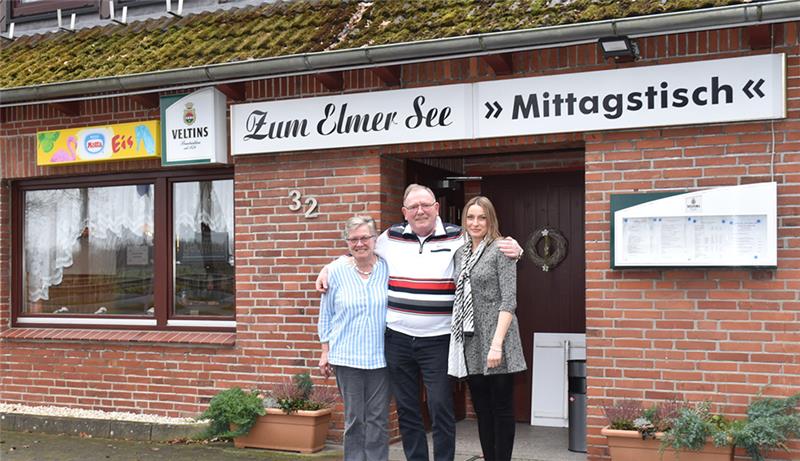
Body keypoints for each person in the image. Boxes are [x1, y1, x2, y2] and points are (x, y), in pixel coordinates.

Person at [316, 184, 522, 461]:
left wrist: (516, 249)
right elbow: (359, 248)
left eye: (426, 205)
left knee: (440, 406)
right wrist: (329, 266)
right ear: (405, 212)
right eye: (413, 207)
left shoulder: (458, 237)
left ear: (437, 207)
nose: (420, 211)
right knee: (408, 409)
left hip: (438, 339)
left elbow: (485, 248)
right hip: (398, 340)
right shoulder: (390, 237)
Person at [447, 196, 527, 461]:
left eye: (482, 217)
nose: (475, 222)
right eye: (470, 217)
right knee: (482, 408)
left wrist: (497, 345)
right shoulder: (461, 253)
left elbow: (509, 300)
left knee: (502, 407)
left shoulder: (501, 249)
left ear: (490, 219)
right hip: (471, 339)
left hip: (498, 338)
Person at [317, 216, 390, 461]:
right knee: (355, 419)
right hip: (347, 358)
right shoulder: (336, 272)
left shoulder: (388, 268)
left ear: (375, 239)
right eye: (354, 239)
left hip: (381, 358)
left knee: (378, 419)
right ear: (347, 243)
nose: (360, 244)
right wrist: (325, 351)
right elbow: (325, 315)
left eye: (365, 238)